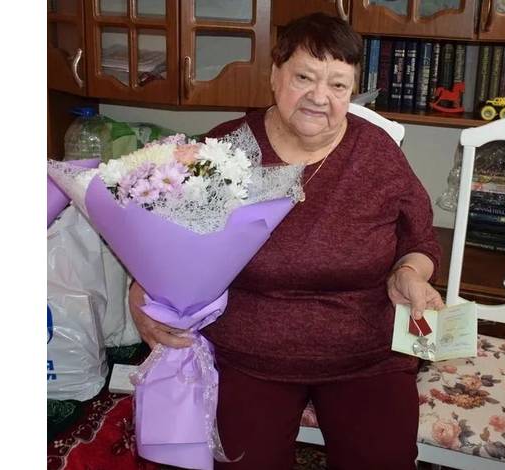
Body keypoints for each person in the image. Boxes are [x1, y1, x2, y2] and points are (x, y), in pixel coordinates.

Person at [128, 12, 444, 470]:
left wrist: (410, 274)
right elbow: (168, 241)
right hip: (249, 358)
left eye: (338, 84)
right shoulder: (224, 151)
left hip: (364, 356)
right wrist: (142, 288)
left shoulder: (377, 153)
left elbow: (421, 239)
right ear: (275, 74)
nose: (320, 96)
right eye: (304, 77)